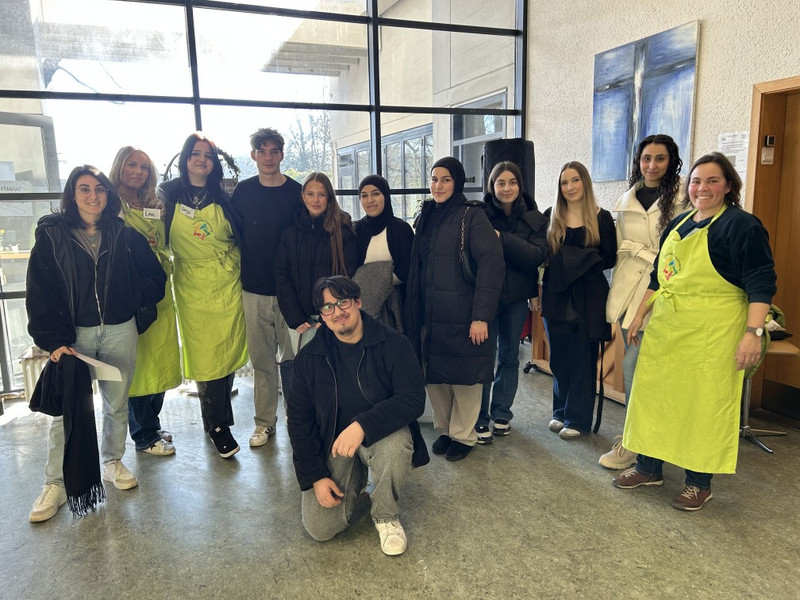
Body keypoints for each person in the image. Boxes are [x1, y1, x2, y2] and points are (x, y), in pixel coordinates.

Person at [614, 152, 777, 511]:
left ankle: (698, 482)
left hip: (713, 331)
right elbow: (659, 277)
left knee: (703, 404)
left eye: (712, 181)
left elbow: (761, 283)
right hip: (668, 328)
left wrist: (752, 332)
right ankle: (648, 467)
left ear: (728, 186)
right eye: (697, 181)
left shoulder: (742, 226)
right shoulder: (680, 222)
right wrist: (640, 314)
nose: (703, 188)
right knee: (655, 398)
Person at [26, 165, 166, 522]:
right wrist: (54, 340)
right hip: (75, 337)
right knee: (66, 412)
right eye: (84, 189)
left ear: (108, 194)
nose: (93, 196)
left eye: (100, 189)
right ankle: (55, 482)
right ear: (72, 194)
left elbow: (155, 276)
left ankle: (112, 461)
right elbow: (40, 292)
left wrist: (133, 302)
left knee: (117, 406)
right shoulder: (52, 235)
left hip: (120, 330)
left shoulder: (124, 234)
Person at [286, 276, 429, 556]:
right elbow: (299, 421)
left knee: (395, 445)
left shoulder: (394, 344)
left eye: (343, 302)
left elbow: (413, 400)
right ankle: (359, 477)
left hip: (380, 435)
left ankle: (386, 515)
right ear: (321, 317)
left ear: (358, 302)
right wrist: (315, 476)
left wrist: (362, 425)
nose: (337, 312)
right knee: (320, 529)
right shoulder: (309, 357)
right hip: (336, 446)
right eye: (327, 307)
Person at [404, 156, 505, 462]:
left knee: (464, 378)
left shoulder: (471, 216)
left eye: (445, 179)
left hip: (463, 313)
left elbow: (492, 264)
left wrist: (481, 316)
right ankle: (446, 429)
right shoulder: (426, 215)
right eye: (434, 179)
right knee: (436, 376)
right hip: (430, 312)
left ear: (458, 182)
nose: (438, 185)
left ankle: (464, 434)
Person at [159, 132, 248, 459]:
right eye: (195, 154)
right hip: (192, 282)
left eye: (208, 156)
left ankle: (220, 420)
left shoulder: (225, 194)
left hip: (227, 278)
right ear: (185, 159)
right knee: (206, 355)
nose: (201, 160)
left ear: (214, 163)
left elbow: (241, 232)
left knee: (226, 349)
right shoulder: (167, 193)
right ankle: (218, 426)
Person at [600, 134, 683, 469]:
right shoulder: (626, 199)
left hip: (663, 290)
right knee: (636, 370)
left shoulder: (684, 199)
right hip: (626, 291)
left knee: (639, 371)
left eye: (659, 159)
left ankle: (637, 442)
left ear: (671, 161)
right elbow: (618, 248)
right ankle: (641, 439)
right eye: (646, 159)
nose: (651, 166)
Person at [230, 128, 303, 448]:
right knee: (262, 363)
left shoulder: (296, 192)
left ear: (282, 155)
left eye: (275, 151)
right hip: (254, 290)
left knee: (294, 362)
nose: (269, 157)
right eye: (263, 151)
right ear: (254, 155)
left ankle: (300, 419)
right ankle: (264, 423)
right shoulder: (243, 192)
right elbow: (233, 236)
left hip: (290, 291)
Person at [110, 146, 181, 457]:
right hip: (134, 290)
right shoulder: (112, 206)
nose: (138, 171)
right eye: (132, 165)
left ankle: (151, 422)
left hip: (161, 289)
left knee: (161, 360)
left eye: (144, 167)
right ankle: (143, 435)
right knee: (140, 365)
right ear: (119, 167)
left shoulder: (154, 204)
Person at [474, 161, 549, 444]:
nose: (506, 188)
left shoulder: (535, 217)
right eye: (500, 183)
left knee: (509, 356)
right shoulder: (480, 214)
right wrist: (513, 246)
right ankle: (479, 418)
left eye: (512, 182)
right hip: (485, 297)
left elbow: (535, 255)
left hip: (517, 298)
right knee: (484, 357)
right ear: (492, 186)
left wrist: (501, 239)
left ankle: (502, 412)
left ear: (520, 185)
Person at [541, 161, 616, 439]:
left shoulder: (603, 218)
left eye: (574, 180)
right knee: (559, 358)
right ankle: (560, 412)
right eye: (564, 182)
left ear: (585, 182)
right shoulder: (551, 216)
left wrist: (569, 261)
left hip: (589, 298)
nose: (569, 187)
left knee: (584, 358)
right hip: (556, 297)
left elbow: (609, 257)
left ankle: (578, 419)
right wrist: (583, 259)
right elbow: (545, 256)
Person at [275, 172, 357, 352]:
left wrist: (329, 314)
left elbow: (347, 275)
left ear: (329, 197)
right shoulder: (290, 235)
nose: (316, 200)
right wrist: (294, 316)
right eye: (310, 194)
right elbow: (282, 277)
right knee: (307, 374)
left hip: (334, 318)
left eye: (321, 194)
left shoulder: (342, 232)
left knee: (336, 372)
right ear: (303, 196)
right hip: (301, 321)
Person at [352, 174, 414, 329]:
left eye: (376, 194)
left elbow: (407, 269)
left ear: (385, 196)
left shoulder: (401, 229)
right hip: (362, 304)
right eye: (364, 196)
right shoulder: (355, 230)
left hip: (398, 303)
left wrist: (371, 279)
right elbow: (351, 270)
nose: (370, 200)